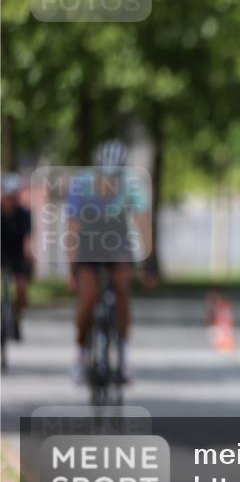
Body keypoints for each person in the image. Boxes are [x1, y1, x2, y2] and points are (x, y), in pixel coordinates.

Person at [65, 140, 154, 384]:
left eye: (114, 178)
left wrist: (148, 261)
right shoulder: (81, 184)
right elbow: (72, 228)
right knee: (87, 298)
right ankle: (81, 353)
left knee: (122, 290)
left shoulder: (131, 185)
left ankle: (124, 354)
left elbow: (142, 222)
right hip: (88, 242)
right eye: (105, 178)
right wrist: (72, 267)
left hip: (118, 242)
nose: (109, 184)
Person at [1, 173, 33, 340]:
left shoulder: (24, 213)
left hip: (17, 254)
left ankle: (16, 319)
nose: (9, 200)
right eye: (7, 196)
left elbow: (28, 239)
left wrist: (29, 255)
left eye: (13, 197)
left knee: (21, 288)